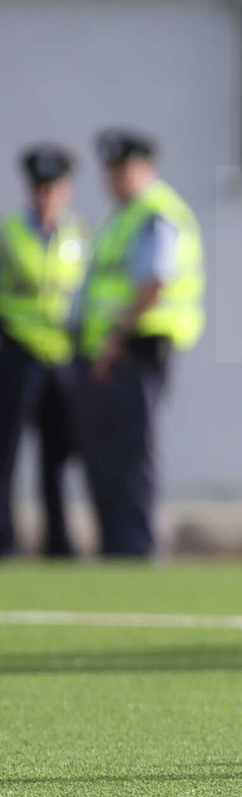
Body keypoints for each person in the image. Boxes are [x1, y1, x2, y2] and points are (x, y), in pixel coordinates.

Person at [75, 131, 204, 558]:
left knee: (131, 452)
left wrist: (114, 338)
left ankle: (136, 547)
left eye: (120, 169)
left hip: (137, 347)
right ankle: (116, 547)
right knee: (106, 452)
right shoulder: (121, 216)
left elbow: (155, 280)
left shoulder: (154, 213)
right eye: (109, 170)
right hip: (112, 350)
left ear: (145, 168)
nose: (112, 178)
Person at [0, 147, 87, 557]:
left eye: (53, 187)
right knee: (7, 452)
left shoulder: (78, 237)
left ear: (66, 190)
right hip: (16, 351)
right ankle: (5, 541)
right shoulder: (10, 233)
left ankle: (59, 545)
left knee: (58, 456)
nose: (45, 195)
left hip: (60, 357)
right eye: (39, 187)